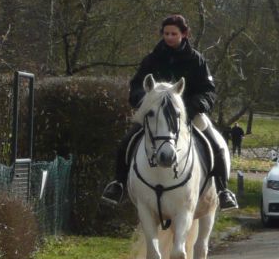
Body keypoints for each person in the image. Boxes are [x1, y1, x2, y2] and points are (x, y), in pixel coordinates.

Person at [101, 14, 237, 210]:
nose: (169, 37)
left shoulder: (196, 59)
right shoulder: (152, 59)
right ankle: (118, 185)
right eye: (166, 33)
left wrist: (192, 107)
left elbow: (208, 91)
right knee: (126, 143)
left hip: (189, 113)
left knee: (217, 145)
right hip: (156, 115)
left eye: (174, 33)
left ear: (184, 34)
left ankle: (224, 191)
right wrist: (145, 101)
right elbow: (137, 85)